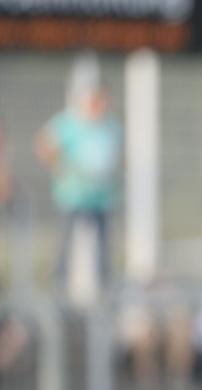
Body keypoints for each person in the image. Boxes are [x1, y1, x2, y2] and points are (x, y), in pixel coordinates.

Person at [35, 83, 121, 291]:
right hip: (73, 196)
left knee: (102, 248)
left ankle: (104, 287)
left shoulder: (111, 126)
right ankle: (59, 287)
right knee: (65, 244)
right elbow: (44, 144)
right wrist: (59, 168)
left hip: (101, 197)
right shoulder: (69, 123)